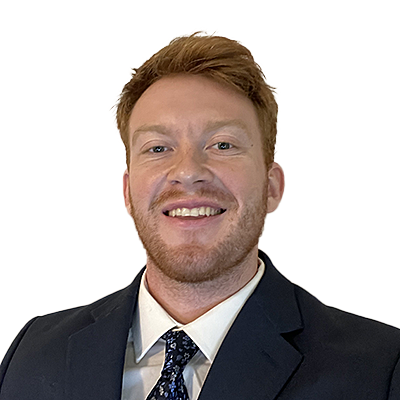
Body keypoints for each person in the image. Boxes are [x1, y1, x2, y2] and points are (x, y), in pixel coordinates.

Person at [0, 33, 399, 400]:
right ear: (128, 190)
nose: (188, 171)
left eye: (222, 144)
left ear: (271, 186)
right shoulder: (33, 355)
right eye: (158, 148)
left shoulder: (380, 371)